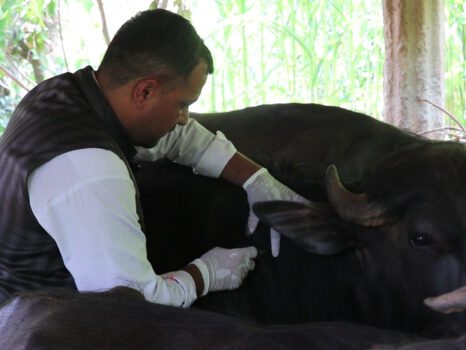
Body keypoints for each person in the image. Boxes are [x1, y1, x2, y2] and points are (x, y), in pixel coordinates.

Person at [0, 9, 306, 307]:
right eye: (183, 105)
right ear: (145, 92)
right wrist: (205, 274)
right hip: (33, 326)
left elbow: (179, 138)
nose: (185, 119)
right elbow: (130, 306)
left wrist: (255, 179)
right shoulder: (91, 171)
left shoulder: (63, 93)